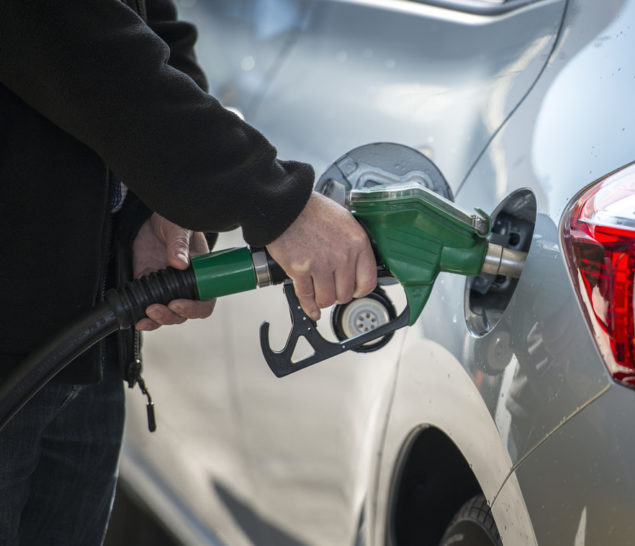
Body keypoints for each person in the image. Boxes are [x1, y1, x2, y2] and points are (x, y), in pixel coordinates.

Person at [0, 1, 377, 544]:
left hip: (83, 340)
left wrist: (150, 210)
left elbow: (154, 27)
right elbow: (80, 42)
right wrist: (272, 200)